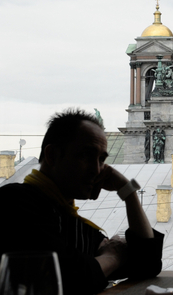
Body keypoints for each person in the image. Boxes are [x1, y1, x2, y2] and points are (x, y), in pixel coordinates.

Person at [0, 109, 163, 295]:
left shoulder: (71, 220)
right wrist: (112, 257)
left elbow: (147, 263)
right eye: (86, 155)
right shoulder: (13, 203)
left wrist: (128, 191)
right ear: (52, 155)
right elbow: (69, 278)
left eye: (101, 159)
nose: (97, 169)